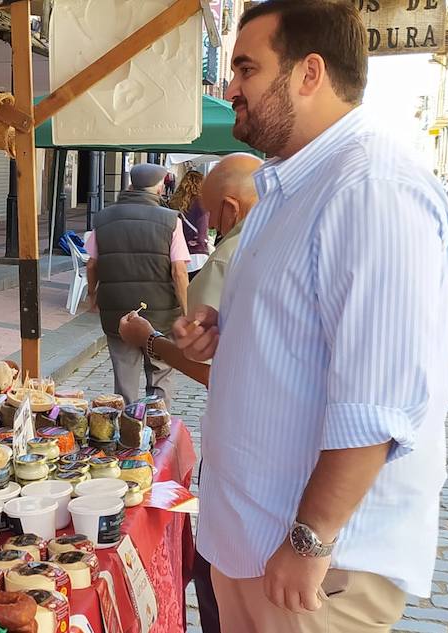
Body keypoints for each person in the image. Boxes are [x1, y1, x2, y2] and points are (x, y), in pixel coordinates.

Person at [173, 2, 448, 630]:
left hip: (313, 567)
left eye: (246, 68)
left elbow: (377, 403)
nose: (231, 88)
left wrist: (311, 541)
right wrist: (224, 331)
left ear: (308, 73)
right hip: (252, 537)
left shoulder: (370, 189)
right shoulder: (287, 187)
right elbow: (306, 335)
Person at [118, 152, 262, 633]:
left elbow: (214, 368)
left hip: (248, 464)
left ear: (230, 208)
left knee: (220, 585)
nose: (205, 220)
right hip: (262, 464)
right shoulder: (277, 243)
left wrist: (153, 340)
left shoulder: (233, 254)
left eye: (207, 210)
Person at [85, 162, 191, 405]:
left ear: (131, 185)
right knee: (161, 370)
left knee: (124, 377)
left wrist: (93, 295)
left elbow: (91, 264)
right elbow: (179, 271)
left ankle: (127, 429)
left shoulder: (103, 218)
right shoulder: (170, 220)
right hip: (161, 312)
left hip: (117, 309)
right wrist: (186, 310)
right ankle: (158, 425)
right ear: (159, 188)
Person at [167, 170, 211, 277]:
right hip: (198, 256)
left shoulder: (173, 203)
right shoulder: (202, 203)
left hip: (176, 255)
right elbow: (202, 233)